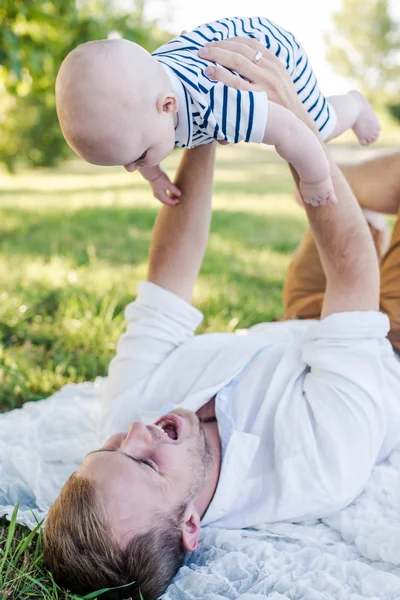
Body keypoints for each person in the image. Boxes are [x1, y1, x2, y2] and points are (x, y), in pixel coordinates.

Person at [44, 39, 400, 600]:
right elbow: (354, 277)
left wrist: (195, 117)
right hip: (384, 327)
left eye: (110, 447)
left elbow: (169, 279)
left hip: (308, 316)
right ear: (190, 526)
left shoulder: (131, 415)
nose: (136, 432)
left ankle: (357, 183)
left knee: (355, 188)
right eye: (145, 464)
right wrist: (295, 126)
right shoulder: (315, 467)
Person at [55, 17, 381, 208]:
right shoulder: (141, 105)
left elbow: (292, 131)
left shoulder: (217, 102)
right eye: (127, 162)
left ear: (168, 106)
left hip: (270, 48)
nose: (131, 168)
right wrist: (154, 175)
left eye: (140, 157)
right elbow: (133, 142)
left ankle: (354, 105)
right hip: (204, 49)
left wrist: (316, 178)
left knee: (318, 128)